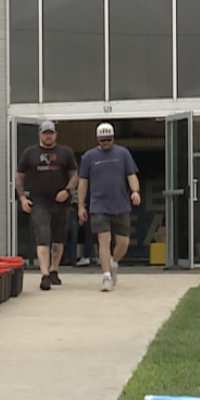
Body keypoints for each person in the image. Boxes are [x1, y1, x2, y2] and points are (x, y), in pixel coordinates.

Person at [16, 120, 78, 291]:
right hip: (39, 203)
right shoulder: (30, 153)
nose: (48, 136)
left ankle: (53, 270)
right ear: (40, 135)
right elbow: (19, 176)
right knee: (42, 235)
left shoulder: (65, 153)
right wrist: (22, 198)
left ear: (56, 134)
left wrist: (67, 191)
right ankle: (44, 275)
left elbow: (75, 176)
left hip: (60, 203)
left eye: (51, 133)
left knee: (59, 238)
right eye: (45, 133)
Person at [77, 122, 139, 292]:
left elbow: (131, 174)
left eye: (108, 139)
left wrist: (135, 191)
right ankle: (106, 277)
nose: (105, 143)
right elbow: (83, 182)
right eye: (103, 140)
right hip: (99, 205)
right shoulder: (89, 157)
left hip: (121, 204)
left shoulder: (123, 153)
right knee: (103, 240)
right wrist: (81, 206)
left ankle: (113, 264)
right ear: (98, 139)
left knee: (123, 242)